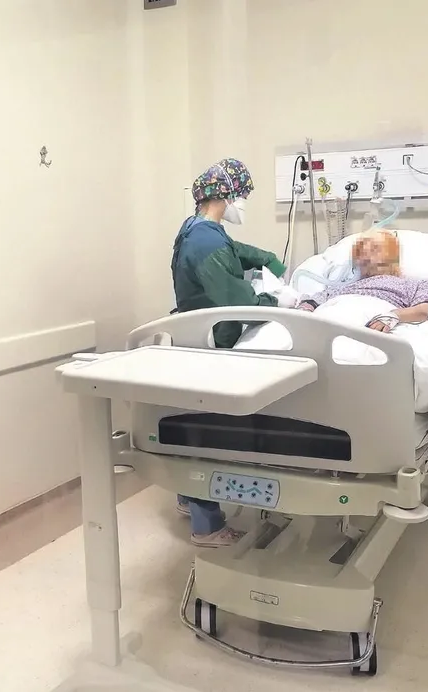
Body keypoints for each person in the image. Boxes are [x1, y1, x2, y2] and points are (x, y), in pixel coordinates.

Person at [172, 157, 295, 548]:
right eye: (242, 195)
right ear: (225, 195)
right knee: (208, 431)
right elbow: (240, 303)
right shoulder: (206, 242)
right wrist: (280, 301)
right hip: (211, 342)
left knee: (194, 425)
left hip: (195, 337)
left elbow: (232, 250)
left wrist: (264, 258)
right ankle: (207, 527)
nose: (243, 203)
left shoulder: (197, 229)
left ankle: (187, 497)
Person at [297, 231, 428, 331]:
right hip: (329, 315)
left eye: (374, 249)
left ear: (392, 254)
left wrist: (393, 316)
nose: (366, 257)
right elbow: (312, 302)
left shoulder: (414, 285)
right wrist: (304, 311)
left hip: (372, 318)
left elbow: (422, 312)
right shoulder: (345, 286)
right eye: (361, 253)